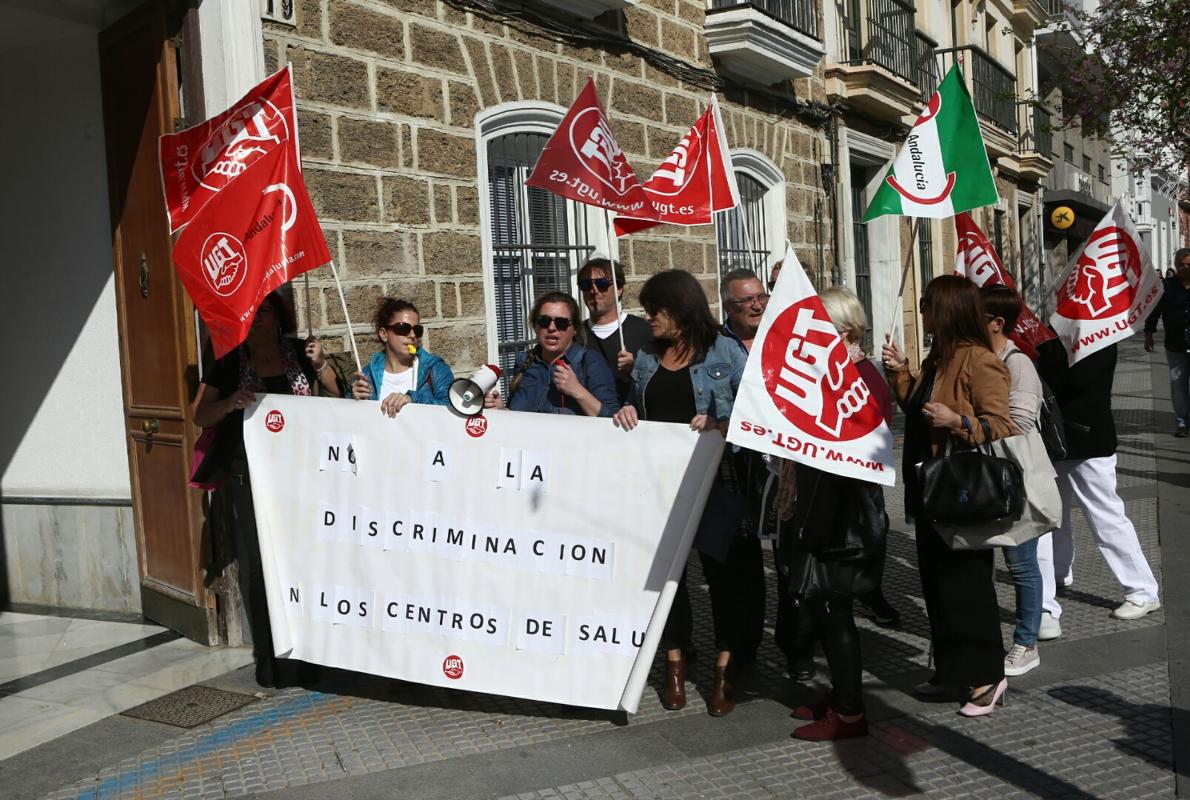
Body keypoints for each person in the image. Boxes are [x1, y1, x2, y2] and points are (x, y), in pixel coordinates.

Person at [612, 269, 749, 716]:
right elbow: (638, 409)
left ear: (681, 308)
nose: (647, 317)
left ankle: (726, 668)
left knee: (724, 580)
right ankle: (674, 661)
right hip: (660, 488)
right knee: (669, 577)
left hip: (718, 485)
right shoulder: (648, 357)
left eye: (655, 309)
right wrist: (628, 409)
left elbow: (755, 415)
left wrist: (720, 424)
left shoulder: (726, 351)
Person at [882, 275, 1017, 716]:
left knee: (967, 588)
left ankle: (987, 677)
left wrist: (959, 421)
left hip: (962, 493)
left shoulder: (980, 361)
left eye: (926, 302)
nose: (921, 310)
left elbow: (1001, 425)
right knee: (937, 585)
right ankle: (951, 671)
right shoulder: (939, 359)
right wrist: (901, 371)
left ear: (947, 310)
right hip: (929, 489)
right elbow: (918, 413)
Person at [193, 292, 342, 687]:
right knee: (261, 570)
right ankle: (269, 658)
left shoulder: (300, 352)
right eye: (252, 313)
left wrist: (321, 364)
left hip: (302, 478)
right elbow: (200, 414)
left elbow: (337, 395)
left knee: (307, 564)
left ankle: (312, 653)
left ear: (280, 316)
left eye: (266, 311)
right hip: (252, 481)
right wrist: (228, 404)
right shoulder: (230, 360)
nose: (258, 319)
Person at [784, 287, 892, 741]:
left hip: (846, 518)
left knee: (835, 612)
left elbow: (859, 453)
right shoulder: (835, 375)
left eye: (820, 326)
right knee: (825, 611)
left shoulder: (864, 379)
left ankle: (850, 713)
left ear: (845, 331)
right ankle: (840, 698)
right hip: (826, 512)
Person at [1035, 341, 1161, 638]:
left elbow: (1073, 381)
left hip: (1087, 441)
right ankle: (1059, 571)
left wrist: (1041, 359)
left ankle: (1142, 589)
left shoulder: (1096, 336)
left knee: (1105, 515)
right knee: (1055, 513)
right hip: (1059, 439)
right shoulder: (1064, 332)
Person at [981, 285, 1046, 677]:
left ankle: (1026, 642)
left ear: (997, 322)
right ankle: (987, 639)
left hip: (1013, 476)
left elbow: (1021, 423)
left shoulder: (1017, 363)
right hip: (981, 476)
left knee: (1021, 564)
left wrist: (969, 422)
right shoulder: (973, 356)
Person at [488, 291, 617, 416]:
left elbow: (611, 419)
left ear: (575, 329)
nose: (551, 328)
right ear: (535, 326)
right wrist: (502, 410)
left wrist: (577, 391)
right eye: (544, 321)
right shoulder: (524, 361)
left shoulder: (590, 362)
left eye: (561, 323)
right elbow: (520, 417)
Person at [351, 298, 453, 413]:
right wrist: (354, 399)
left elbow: (451, 410)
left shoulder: (435, 368)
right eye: (403, 328)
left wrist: (413, 399)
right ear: (384, 334)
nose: (412, 335)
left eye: (417, 330)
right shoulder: (366, 376)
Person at [579, 258, 653, 404]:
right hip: (586, 423)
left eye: (602, 284)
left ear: (619, 289)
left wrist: (636, 367)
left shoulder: (644, 330)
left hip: (631, 422)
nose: (594, 291)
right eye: (586, 285)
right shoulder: (574, 334)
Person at [1143, 248, 1190, 437]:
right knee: (1178, 385)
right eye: (1182, 265)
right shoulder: (1166, 286)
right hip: (1175, 345)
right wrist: (1148, 333)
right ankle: (1182, 422)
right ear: (1176, 266)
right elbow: (1154, 310)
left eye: (1189, 264)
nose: (1185, 268)